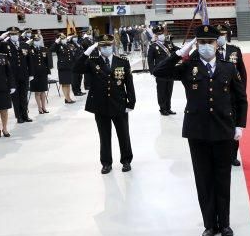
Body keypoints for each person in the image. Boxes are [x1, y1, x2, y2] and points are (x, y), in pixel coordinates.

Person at [152, 24, 247, 236]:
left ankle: (224, 223)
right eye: (201, 43)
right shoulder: (188, 66)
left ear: (217, 44)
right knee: (203, 179)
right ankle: (209, 225)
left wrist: (239, 125)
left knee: (222, 178)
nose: (206, 47)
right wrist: (179, 53)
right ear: (197, 44)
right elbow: (158, 72)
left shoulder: (228, 68)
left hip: (223, 131)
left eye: (209, 43)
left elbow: (241, 99)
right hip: (198, 131)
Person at [75, 34, 136, 174]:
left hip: (119, 104)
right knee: (104, 135)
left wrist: (131, 103)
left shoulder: (122, 61)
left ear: (113, 45)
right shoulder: (92, 61)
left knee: (123, 134)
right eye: (103, 46)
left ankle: (126, 160)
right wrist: (87, 51)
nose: (106, 48)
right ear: (99, 47)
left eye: (108, 45)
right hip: (100, 105)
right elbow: (76, 69)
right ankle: (106, 163)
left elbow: (129, 84)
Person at [216, 23, 247, 166]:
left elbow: (242, 73)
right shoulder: (211, 52)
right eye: (218, 34)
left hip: (233, 95)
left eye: (223, 34)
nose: (220, 37)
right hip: (217, 95)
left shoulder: (235, 50)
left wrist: (242, 92)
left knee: (234, 125)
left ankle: (233, 155)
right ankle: (221, 155)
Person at [0, 26, 32, 124]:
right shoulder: (4, 45)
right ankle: (19, 116)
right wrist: (0, 39)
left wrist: (31, 73)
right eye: (12, 34)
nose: (14, 36)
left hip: (24, 75)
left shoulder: (24, 44)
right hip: (12, 76)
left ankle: (25, 115)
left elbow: (29, 60)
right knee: (15, 97)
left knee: (24, 96)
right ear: (8, 35)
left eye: (16, 34)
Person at [147, 25, 177, 116]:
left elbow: (176, 51)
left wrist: (183, 48)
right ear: (156, 35)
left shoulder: (169, 43)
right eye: (158, 34)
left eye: (162, 33)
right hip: (160, 72)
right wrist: (152, 71)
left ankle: (168, 108)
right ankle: (162, 108)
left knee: (169, 90)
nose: (161, 35)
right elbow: (150, 60)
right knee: (161, 91)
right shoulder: (153, 46)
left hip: (170, 71)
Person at [28, 33, 51, 114]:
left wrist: (48, 72)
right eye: (35, 40)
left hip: (43, 73)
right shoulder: (29, 49)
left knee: (43, 91)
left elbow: (46, 62)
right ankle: (39, 108)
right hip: (34, 73)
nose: (37, 41)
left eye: (38, 40)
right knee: (37, 92)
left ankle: (44, 107)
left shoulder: (43, 49)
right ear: (32, 41)